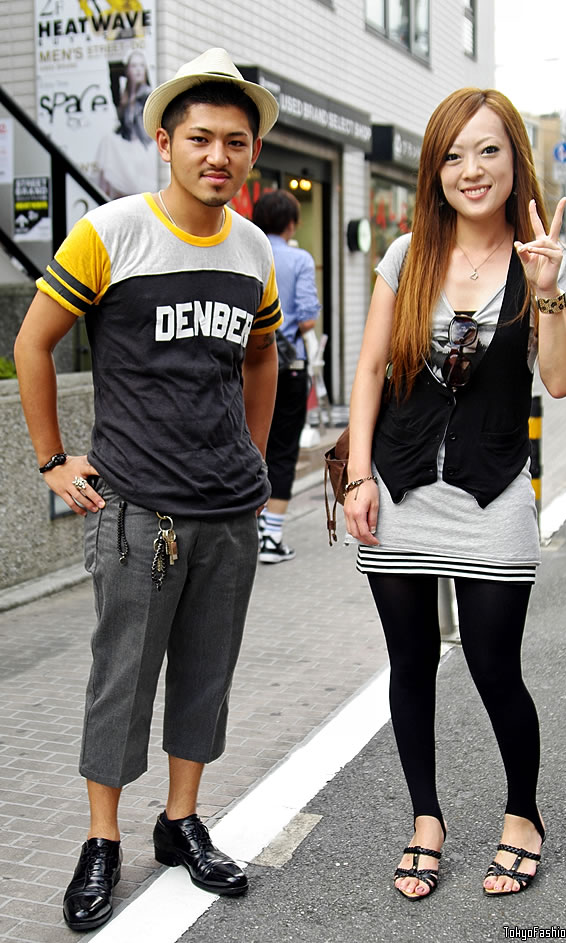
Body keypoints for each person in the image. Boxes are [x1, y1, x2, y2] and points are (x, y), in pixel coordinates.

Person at [14, 47, 281, 932]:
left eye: (235, 142)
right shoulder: (110, 232)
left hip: (228, 509)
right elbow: (33, 343)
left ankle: (180, 821)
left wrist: (256, 452)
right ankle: (102, 838)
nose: (219, 155)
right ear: (164, 142)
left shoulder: (254, 250)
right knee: (119, 682)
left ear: (250, 154)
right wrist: (53, 459)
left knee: (206, 677)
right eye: (201, 138)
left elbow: (262, 352)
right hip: (135, 510)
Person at [344, 87, 566, 901]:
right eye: (452, 154)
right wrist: (355, 478)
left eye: (487, 150)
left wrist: (547, 287)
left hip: (493, 496)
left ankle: (523, 815)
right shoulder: (407, 254)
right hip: (401, 493)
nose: (470, 169)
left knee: (493, 666)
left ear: (515, 158)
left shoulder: (545, 255)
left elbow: (557, 382)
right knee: (409, 663)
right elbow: (370, 367)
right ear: (433, 169)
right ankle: (426, 820)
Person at [252, 190, 321, 563]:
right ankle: (271, 538)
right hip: (287, 367)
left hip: (242, 366)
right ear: (292, 223)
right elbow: (307, 317)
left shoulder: (243, 248)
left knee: (248, 443)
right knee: (282, 448)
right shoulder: (298, 259)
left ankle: (245, 530)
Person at [95, 49, 156, 198]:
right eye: (134, 66)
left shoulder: (146, 95)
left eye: (141, 66)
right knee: (107, 142)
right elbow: (113, 77)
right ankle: (100, 195)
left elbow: (141, 129)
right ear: (127, 70)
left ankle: (101, 196)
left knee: (108, 145)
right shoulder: (126, 95)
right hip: (128, 146)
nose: (138, 70)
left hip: (142, 148)